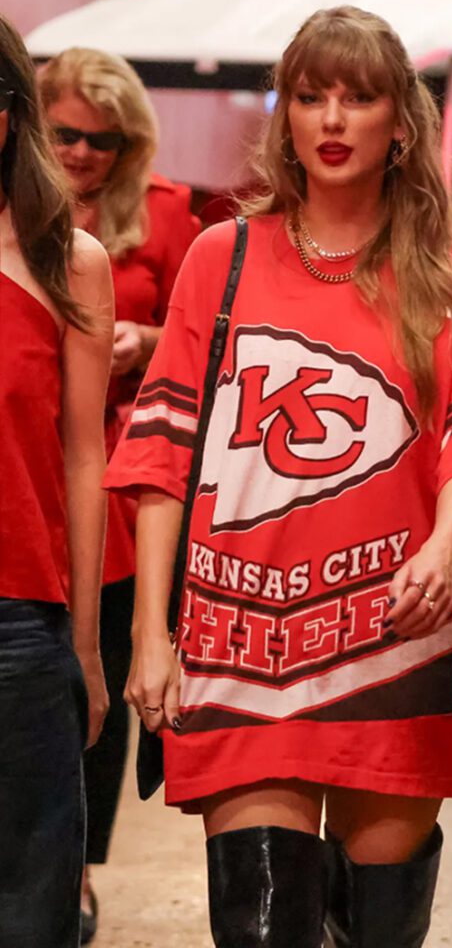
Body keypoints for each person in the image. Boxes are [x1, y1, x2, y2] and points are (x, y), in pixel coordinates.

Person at [104, 5, 452, 947]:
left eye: (359, 97)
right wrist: (151, 634)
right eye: (312, 97)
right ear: (287, 118)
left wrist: (445, 540)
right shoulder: (221, 258)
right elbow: (160, 452)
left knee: (378, 931)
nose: (334, 120)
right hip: (236, 638)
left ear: (400, 121)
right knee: (261, 928)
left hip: (392, 634)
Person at [38, 47, 201, 942]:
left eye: (104, 138)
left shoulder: (169, 212)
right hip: (32, 459)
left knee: (89, 681)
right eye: (66, 132)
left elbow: (198, 329)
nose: (84, 151)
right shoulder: (22, 207)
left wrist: (139, 337)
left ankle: (84, 867)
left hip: (127, 473)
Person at [0, 15, 113, 947]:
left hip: (19, 622)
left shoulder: (64, 261)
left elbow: (86, 457)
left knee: (33, 901)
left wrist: (85, 645)